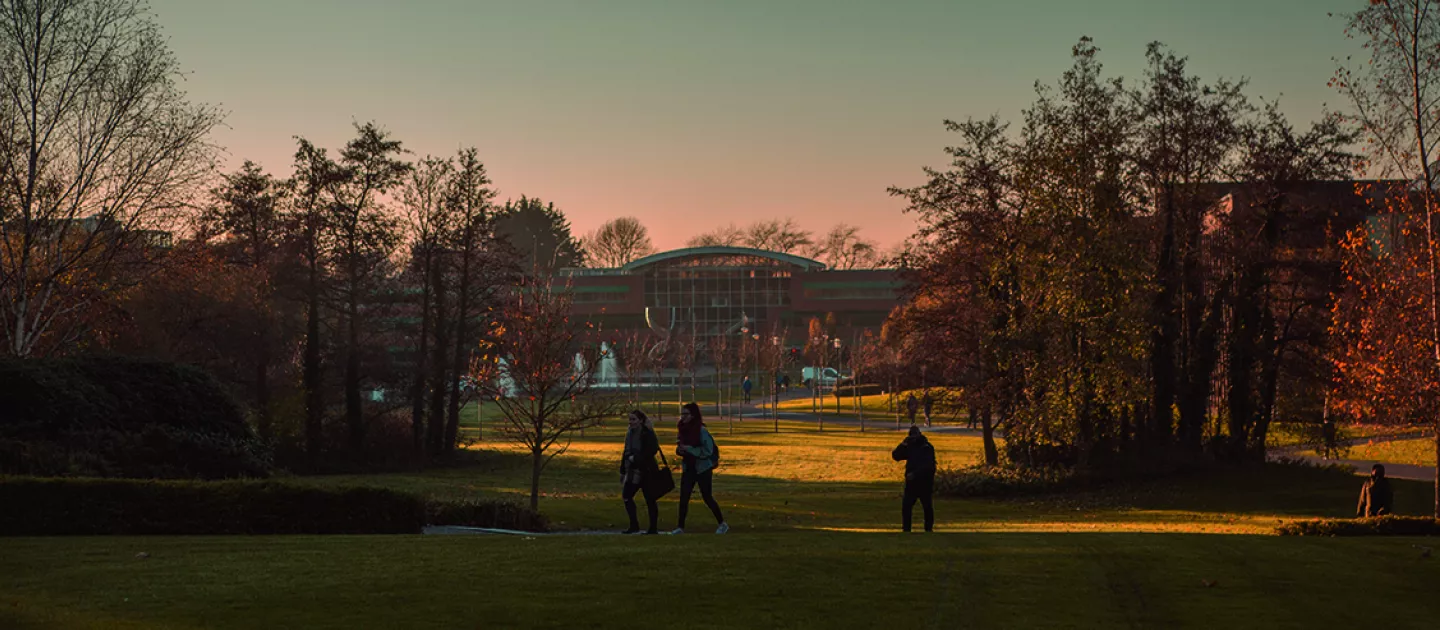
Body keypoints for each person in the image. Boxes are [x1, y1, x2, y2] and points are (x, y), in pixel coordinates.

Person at [673, 402, 728, 534]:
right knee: (684, 497)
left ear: (693, 415)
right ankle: (680, 527)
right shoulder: (682, 429)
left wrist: (690, 450)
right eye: (682, 414)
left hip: (703, 468)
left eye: (686, 414)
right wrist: (680, 450)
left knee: (707, 497)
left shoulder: (701, 431)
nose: (683, 417)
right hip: (688, 467)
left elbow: (708, 450)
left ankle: (722, 523)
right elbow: (681, 446)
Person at [620, 410, 662, 534]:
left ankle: (653, 528)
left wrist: (637, 458)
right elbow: (626, 451)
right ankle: (634, 525)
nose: (631, 422)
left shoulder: (647, 433)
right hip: (633, 470)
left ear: (641, 420)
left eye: (633, 419)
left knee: (650, 498)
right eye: (630, 419)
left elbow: (652, 450)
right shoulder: (629, 434)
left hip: (647, 470)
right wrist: (622, 470)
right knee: (627, 496)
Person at [891, 426, 937, 532]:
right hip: (912, 482)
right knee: (907, 507)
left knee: (927, 507)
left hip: (924, 482)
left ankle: (928, 529)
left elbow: (928, 466)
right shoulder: (910, 446)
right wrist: (903, 444)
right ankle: (906, 529)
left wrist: (915, 474)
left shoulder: (927, 447)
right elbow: (896, 456)